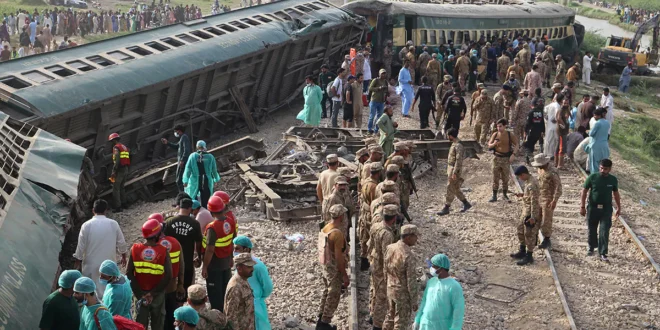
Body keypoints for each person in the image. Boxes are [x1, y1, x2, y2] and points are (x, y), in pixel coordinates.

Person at [73, 199, 127, 298]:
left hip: (90, 264)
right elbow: (121, 242)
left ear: (93, 210)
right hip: (108, 263)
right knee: (108, 291)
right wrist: (123, 256)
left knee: (91, 292)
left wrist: (78, 261)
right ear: (106, 210)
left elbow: (80, 246)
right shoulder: (113, 224)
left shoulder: (86, 225)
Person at [128, 219, 173, 330]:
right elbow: (168, 275)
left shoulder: (134, 249)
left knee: (140, 325)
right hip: (157, 295)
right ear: (156, 235)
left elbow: (129, 273)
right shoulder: (163, 251)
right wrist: (152, 294)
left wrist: (140, 294)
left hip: (140, 295)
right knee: (157, 324)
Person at [580, 159, 622, 262]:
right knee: (592, 228)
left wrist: (618, 207)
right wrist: (582, 206)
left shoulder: (613, 180)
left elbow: (616, 194)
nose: (603, 170)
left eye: (605, 169)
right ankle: (591, 247)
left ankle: (603, 252)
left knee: (604, 231)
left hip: (606, 209)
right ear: (599, 167)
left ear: (610, 169)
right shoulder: (592, 177)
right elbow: (584, 191)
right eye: (601, 168)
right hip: (593, 207)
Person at [202, 196, 237, 311]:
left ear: (211, 211)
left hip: (214, 265)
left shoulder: (212, 228)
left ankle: (218, 319)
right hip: (226, 262)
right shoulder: (231, 221)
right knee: (225, 290)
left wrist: (205, 267)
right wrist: (231, 258)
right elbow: (232, 242)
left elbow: (210, 250)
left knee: (215, 294)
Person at [317, 204, 349, 330]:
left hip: (325, 266)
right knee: (334, 294)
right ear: (341, 216)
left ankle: (321, 316)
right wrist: (344, 275)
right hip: (334, 269)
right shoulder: (337, 234)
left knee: (327, 290)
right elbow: (339, 257)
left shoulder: (326, 228)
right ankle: (324, 323)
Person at [413, 254, 465, 330]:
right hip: (426, 324)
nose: (431, 268)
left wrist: (455, 328)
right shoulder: (431, 282)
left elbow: (458, 311)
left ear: (442, 268)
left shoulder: (454, 286)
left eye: (434, 266)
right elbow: (424, 301)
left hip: (442, 326)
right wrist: (417, 320)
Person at [383, 224, 419, 330]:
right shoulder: (408, 255)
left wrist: (387, 284)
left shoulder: (390, 248)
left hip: (390, 288)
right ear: (408, 237)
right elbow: (411, 281)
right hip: (402, 294)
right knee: (400, 323)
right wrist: (414, 301)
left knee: (389, 317)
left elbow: (385, 268)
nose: (417, 239)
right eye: (415, 236)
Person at [367, 204, 397, 330]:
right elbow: (387, 256)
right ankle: (377, 325)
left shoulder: (375, 226)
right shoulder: (387, 235)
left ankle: (372, 315)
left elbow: (371, 244)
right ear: (394, 218)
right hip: (381, 268)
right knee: (382, 298)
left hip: (374, 263)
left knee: (374, 290)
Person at [233, 236, 273, 330]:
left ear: (246, 249)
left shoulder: (258, 266)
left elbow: (268, 287)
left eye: (237, 248)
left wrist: (258, 297)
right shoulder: (239, 264)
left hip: (256, 306)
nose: (234, 251)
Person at [165, 198, 203, 295]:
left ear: (179, 207)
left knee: (170, 290)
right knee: (184, 290)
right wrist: (199, 256)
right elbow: (199, 242)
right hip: (187, 262)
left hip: (171, 262)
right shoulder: (194, 223)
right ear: (190, 208)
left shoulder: (169, 222)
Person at [510, 166, 541, 266]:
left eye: (520, 177)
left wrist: (533, 217)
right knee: (520, 230)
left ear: (523, 174)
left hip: (530, 212)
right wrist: (523, 195)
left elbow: (535, 202)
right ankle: (522, 251)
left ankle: (529, 256)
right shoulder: (528, 181)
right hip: (525, 211)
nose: (520, 179)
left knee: (529, 234)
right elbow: (530, 197)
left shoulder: (531, 184)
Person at [437, 128, 472, 215]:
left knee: (450, 187)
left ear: (451, 136)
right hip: (451, 168)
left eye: (448, 135)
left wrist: (455, 173)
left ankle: (446, 207)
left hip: (454, 169)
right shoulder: (455, 144)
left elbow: (458, 160)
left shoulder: (458, 146)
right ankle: (466, 203)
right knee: (455, 188)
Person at [530, 154, 562, 249]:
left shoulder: (553, 172)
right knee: (536, 217)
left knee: (546, 220)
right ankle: (534, 237)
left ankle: (547, 239)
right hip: (539, 197)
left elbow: (558, 187)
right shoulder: (540, 170)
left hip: (548, 199)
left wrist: (554, 200)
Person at [488, 119, 517, 202]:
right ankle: (494, 196)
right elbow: (489, 145)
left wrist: (513, 154)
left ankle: (505, 194)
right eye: (497, 126)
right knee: (495, 178)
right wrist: (494, 144)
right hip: (496, 158)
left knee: (505, 178)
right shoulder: (495, 134)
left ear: (505, 126)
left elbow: (517, 144)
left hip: (505, 159)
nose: (498, 128)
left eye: (500, 126)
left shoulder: (509, 134)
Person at [183, 140, 220, 207]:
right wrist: (216, 179)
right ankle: (207, 211)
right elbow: (214, 170)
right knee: (206, 197)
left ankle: (195, 211)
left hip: (195, 181)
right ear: (204, 147)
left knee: (194, 197)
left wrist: (185, 180)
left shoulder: (192, 156)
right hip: (207, 180)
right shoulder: (210, 157)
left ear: (197, 147)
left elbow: (188, 169)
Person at [224, 253, 256, 330]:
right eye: (248, 267)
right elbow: (231, 317)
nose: (252, 269)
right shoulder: (235, 287)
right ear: (239, 268)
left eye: (252, 266)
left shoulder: (243, 280)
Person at [162, 124, 192, 193]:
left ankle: (184, 195)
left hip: (183, 162)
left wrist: (182, 160)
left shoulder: (184, 137)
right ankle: (185, 194)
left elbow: (186, 150)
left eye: (176, 131)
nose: (175, 133)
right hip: (181, 162)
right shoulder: (182, 138)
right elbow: (176, 146)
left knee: (179, 180)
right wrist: (167, 143)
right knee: (181, 179)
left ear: (179, 131)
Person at [107, 133, 130, 212]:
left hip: (120, 170)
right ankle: (125, 204)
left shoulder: (116, 148)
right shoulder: (124, 147)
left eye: (111, 141)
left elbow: (117, 161)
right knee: (122, 187)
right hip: (126, 168)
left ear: (114, 140)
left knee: (115, 188)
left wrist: (113, 171)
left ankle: (118, 207)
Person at [585, 108, 611, 174]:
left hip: (596, 145)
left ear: (599, 116)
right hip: (604, 145)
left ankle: (594, 177)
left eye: (595, 115)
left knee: (594, 163)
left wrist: (588, 131)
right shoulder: (607, 122)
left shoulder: (597, 123)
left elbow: (591, 134)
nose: (594, 117)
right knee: (603, 162)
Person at [369, 69, 389, 134]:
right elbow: (370, 88)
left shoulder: (385, 81)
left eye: (384, 73)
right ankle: (369, 129)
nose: (383, 75)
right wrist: (379, 88)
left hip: (381, 101)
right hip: (374, 100)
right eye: (382, 73)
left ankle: (376, 130)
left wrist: (386, 93)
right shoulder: (376, 80)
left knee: (379, 117)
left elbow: (386, 90)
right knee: (372, 116)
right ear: (379, 74)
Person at [544, 93, 563, 160]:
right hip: (554, 125)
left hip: (549, 124)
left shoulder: (552, 104)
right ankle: (551, 154)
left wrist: (548, 117)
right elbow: (557, 116)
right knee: (554, 140)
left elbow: (545, 109)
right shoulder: (558, 106)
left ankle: (546, 153)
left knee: (548, 139)